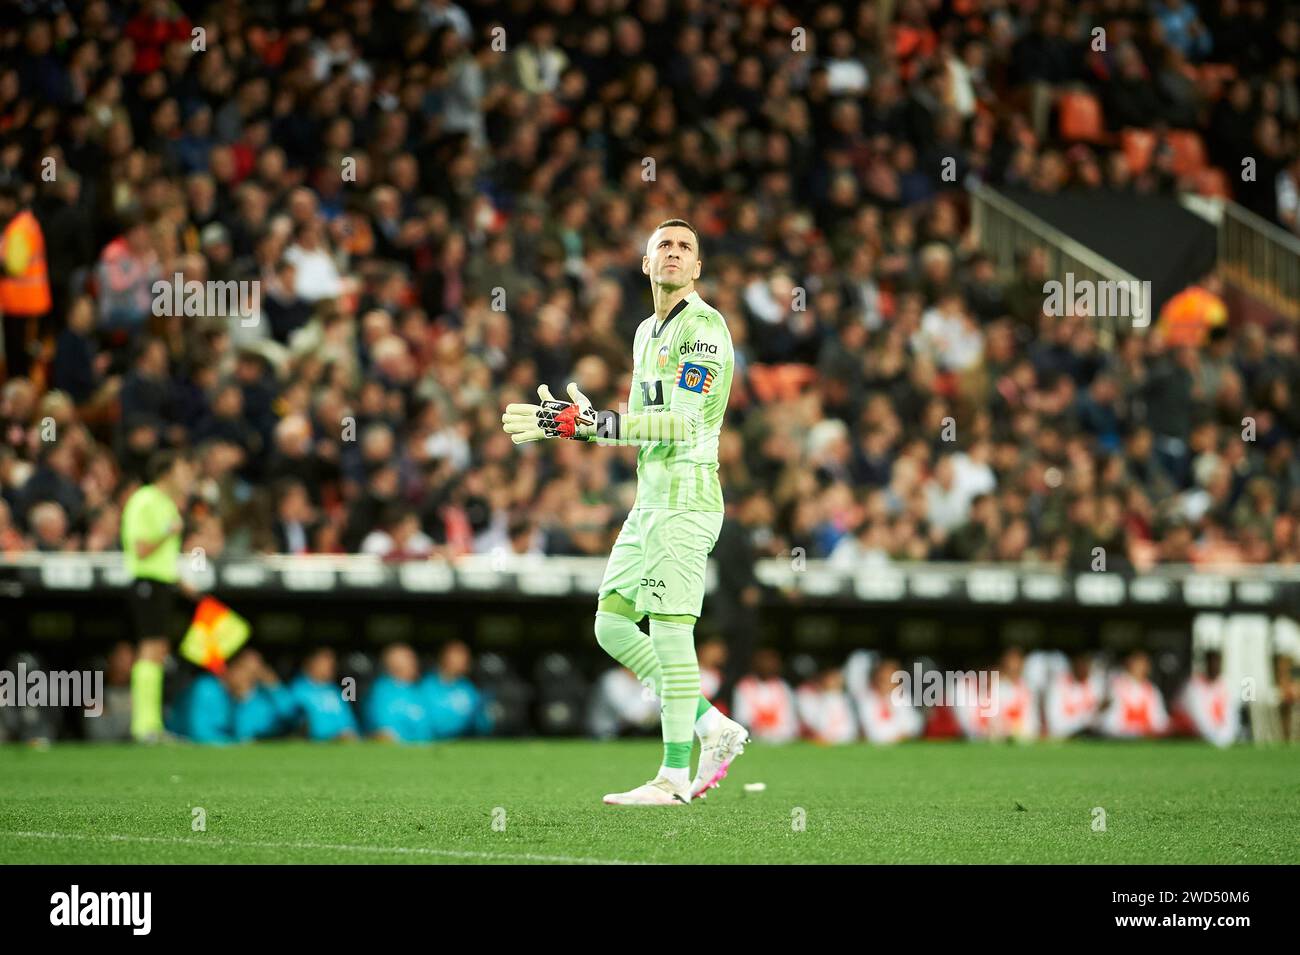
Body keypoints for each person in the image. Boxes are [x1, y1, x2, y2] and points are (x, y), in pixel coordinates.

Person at [502, 219, 747, 805]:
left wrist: (598, 423)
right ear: (644, 263)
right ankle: (712, 724)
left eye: (686, 246)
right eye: (663, 244)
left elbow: (683, 422)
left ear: (697, 269)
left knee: (668, 630)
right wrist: (577, 429)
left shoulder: (704, 330)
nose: (674, 252)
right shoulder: (643, 334)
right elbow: (639, 431)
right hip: (649, 499)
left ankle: (673, 778)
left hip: (687, 497)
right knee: (610, 623)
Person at [119, 448, 198, 742]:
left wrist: (180, 582)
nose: (187, 474)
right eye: (181, 468)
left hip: (162, 582)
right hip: (146, 581)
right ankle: (144, 726)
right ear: (166, 472)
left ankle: (152, 725)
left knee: (157, 650)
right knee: (150, 649)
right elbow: (140, 549)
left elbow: (162, 555)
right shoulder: (145, 500)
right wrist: (169, 530)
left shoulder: (166, 503)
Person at [0, 182, 52, 382]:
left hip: (22, 305)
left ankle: (24, 396)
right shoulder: (27, 223)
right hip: (26, 303)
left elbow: (15, 266)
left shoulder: (19, 229)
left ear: (10, 203)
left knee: (20, 360)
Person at [421, 640, 492, 739]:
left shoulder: (468, 688)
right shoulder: (425, 687)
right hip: (430, 743)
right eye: (460, 657)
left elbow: (481, 725)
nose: (465, 662)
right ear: (446, 659)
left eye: (466, 658)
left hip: (462, 744)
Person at [289, 647, 360, 741]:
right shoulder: (298, 690)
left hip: (343, 743)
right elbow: (291, 720)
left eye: (332, 662)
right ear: (311, 663)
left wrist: (351, 733)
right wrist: (333, 735)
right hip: (316, 745)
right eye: (325, 662)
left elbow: (349, 721)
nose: (331, 666)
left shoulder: (335, 690)